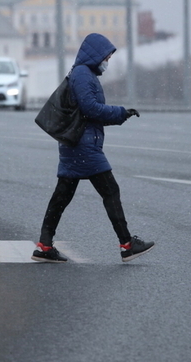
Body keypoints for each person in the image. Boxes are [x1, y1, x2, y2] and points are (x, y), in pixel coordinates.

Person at [32, 33, 155, 264]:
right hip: (84, 147)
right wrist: (120, 112)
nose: (107, 60)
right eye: (106, 56)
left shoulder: (83, 73)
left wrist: (120, 115)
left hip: (76, 144)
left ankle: (44, 245)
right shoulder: (82, 74)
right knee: (110, 192)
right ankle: (127, 245)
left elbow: (90, 112)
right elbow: (91, 109)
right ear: (96, 54)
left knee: (61, 196)